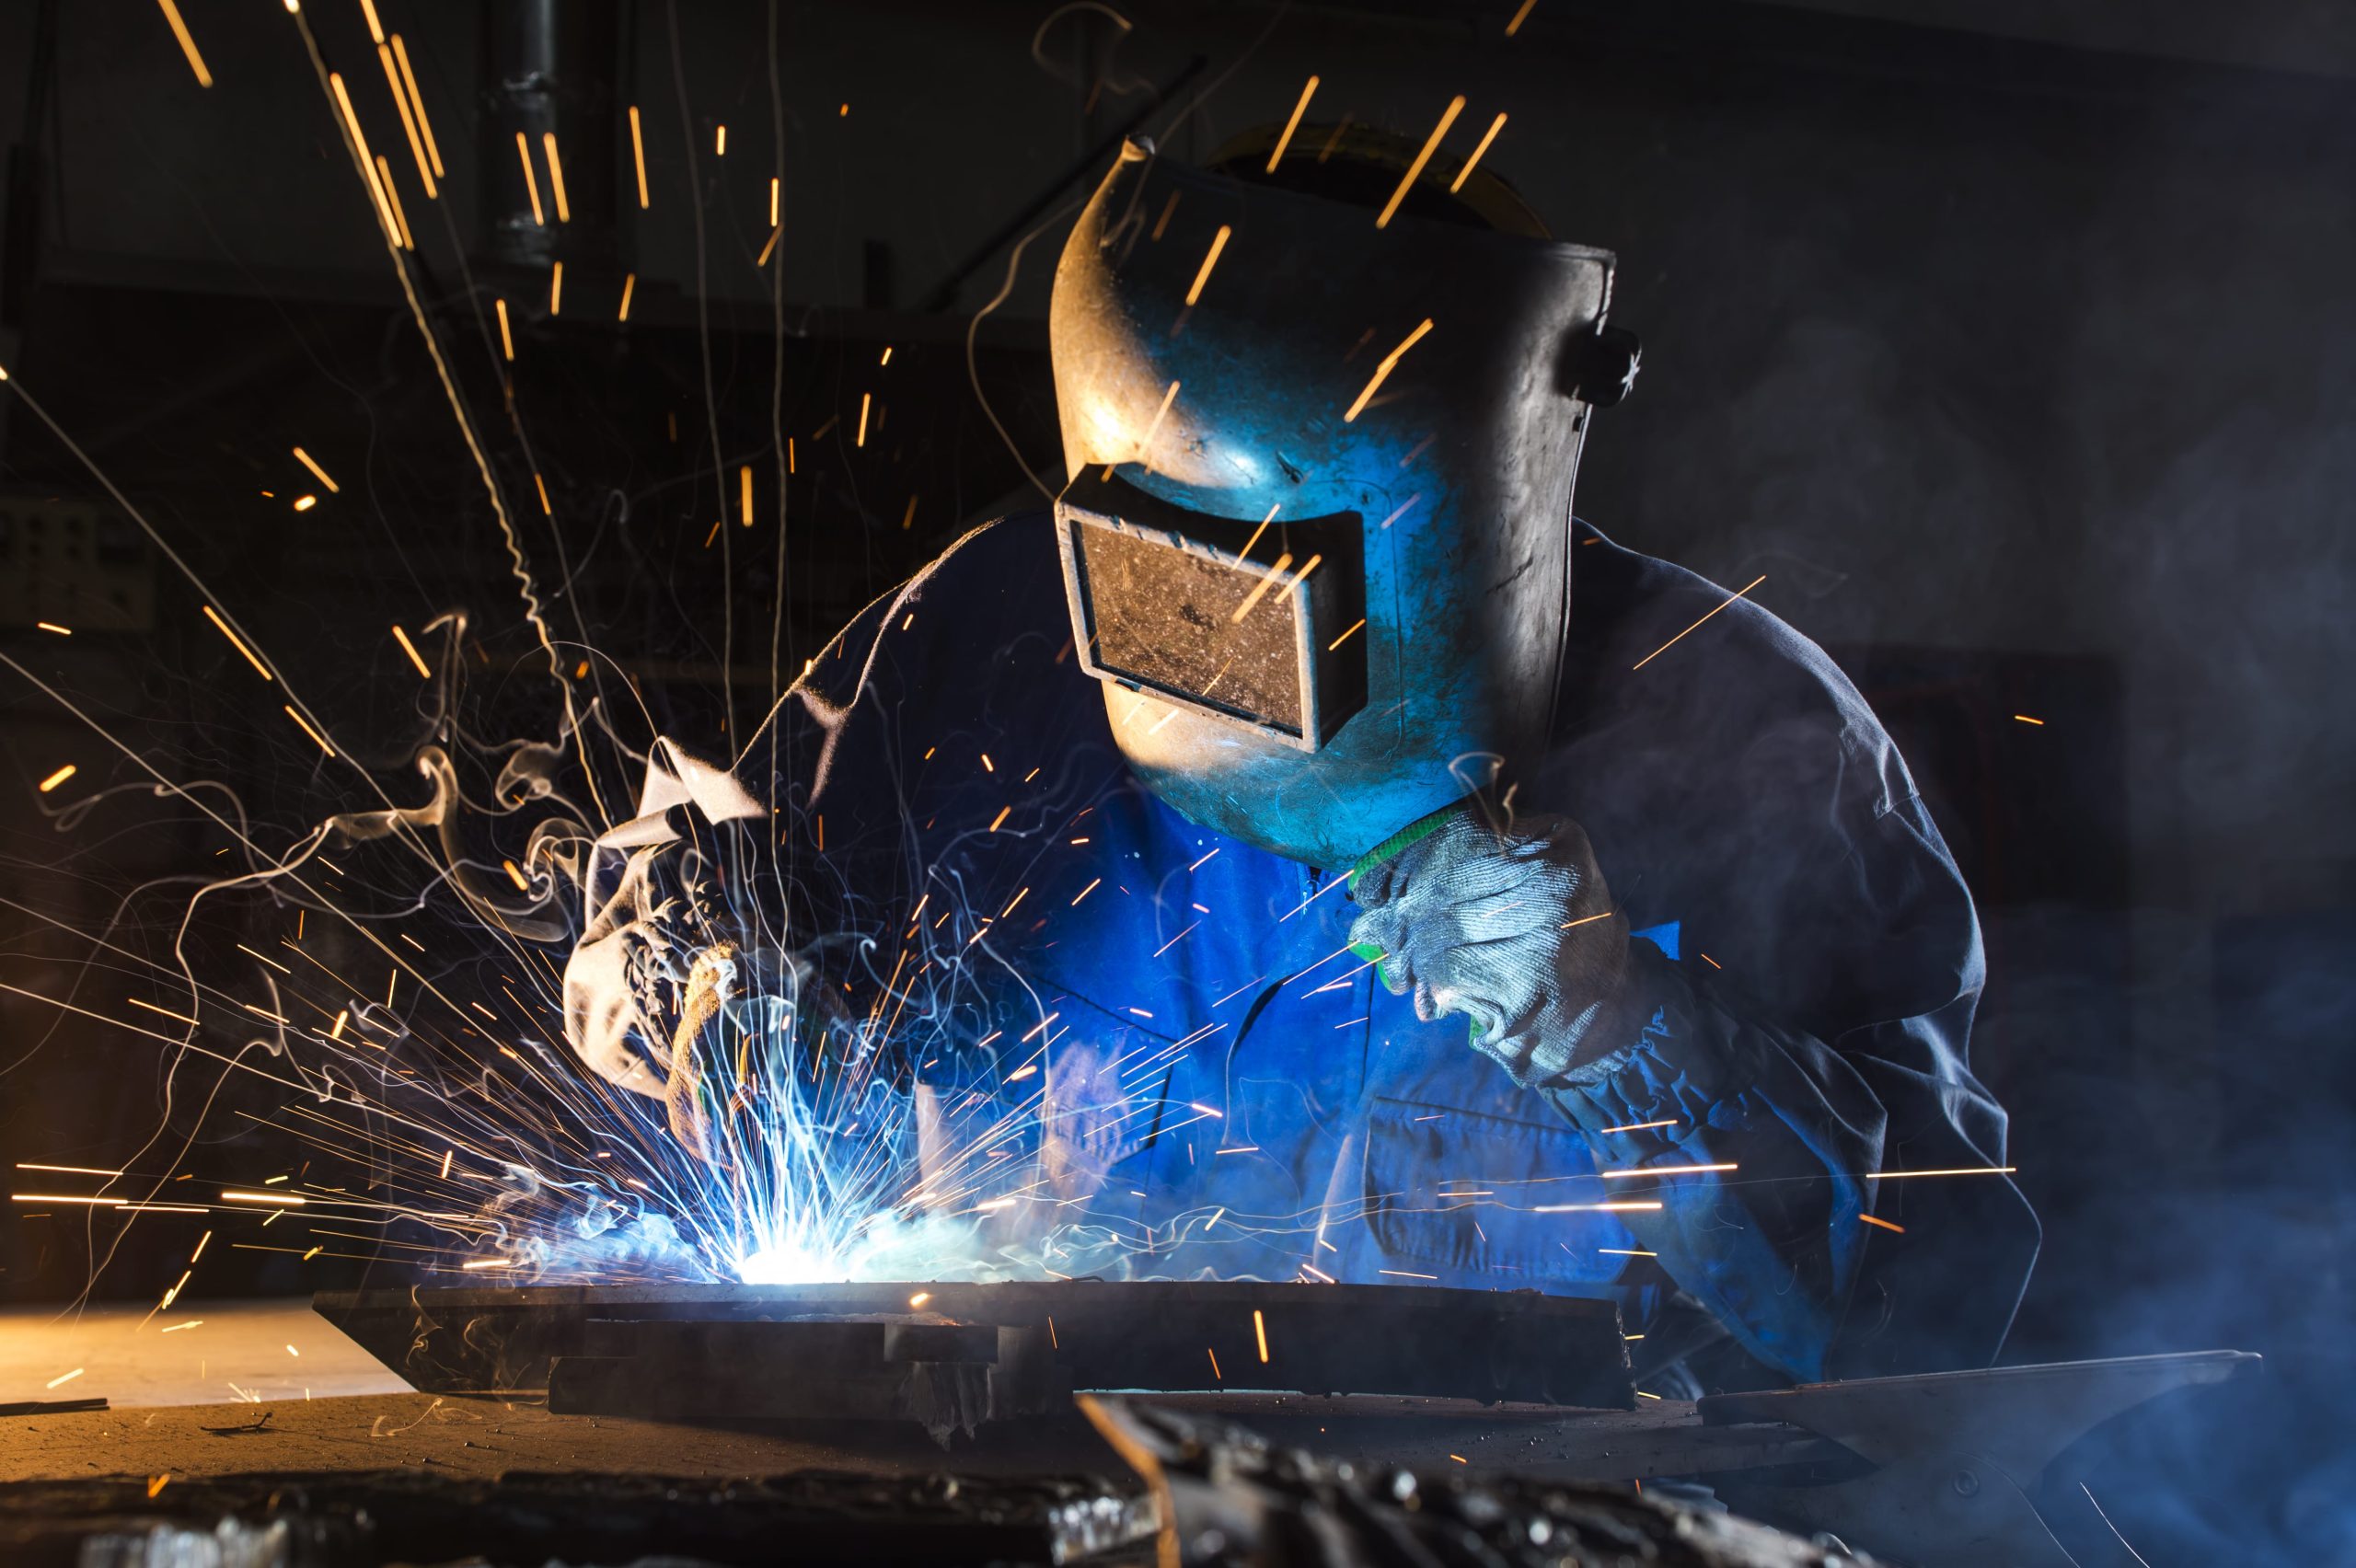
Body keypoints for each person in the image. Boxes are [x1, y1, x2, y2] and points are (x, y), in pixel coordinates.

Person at [562, 128, 2038, 1390]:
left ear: (1476, 464)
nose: (1232, 628)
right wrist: (698, 962)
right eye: (1175, 558)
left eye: (1297, 562)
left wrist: (1629, 1028)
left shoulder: (1745, 738)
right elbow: (687, 884)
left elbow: (1941, 1307)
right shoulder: (980, 638)